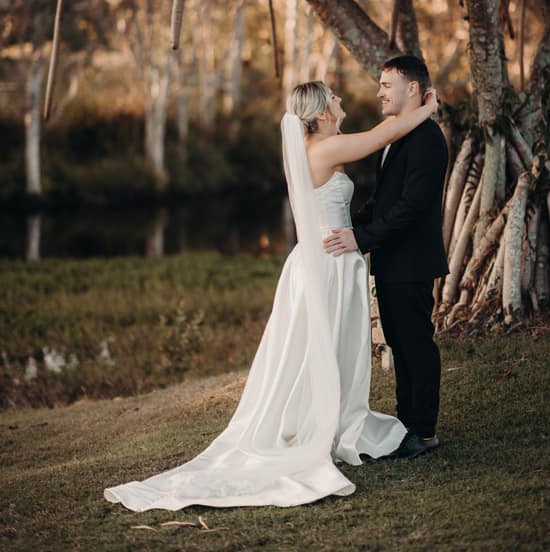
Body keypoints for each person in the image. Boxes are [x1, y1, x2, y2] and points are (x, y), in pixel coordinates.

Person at [104, 80, 438, 511]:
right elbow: (381, 136)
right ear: (320, 113)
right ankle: (317, 425)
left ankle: (326, 419)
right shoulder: (322, 148)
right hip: (326, 264)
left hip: (328, 260)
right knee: (317, 346)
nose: (340, 99)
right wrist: (428, 108)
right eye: (333, 97)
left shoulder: (320, 144)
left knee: (325, 346)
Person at [324, 56, 449, 460]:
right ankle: (407, 425)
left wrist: (361, 238)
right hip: (392, 259)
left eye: (386, 84)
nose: (379, 92)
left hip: (412, 260)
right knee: (398, 341)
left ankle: (424, 432)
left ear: (412, 89)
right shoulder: (397, 136)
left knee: (415, 343)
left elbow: (412, 206)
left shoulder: (427, 138)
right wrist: (347, 224)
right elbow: (384, 201)